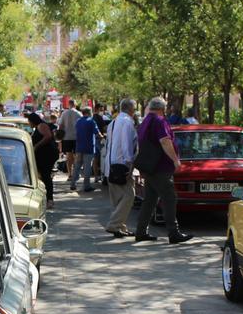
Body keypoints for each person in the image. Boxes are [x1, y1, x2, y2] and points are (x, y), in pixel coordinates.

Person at [134, 97, 193, 244]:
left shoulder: (146, 121)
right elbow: (165, 141)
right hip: (160, 167)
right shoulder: (159, 121)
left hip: (149, 167)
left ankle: (141, 231)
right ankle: (173, 233)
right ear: (163, 108)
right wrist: (175, 159)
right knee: (169, 198)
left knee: (150, 200)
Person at [104, 98, 138, 237]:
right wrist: (130, 163)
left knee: (118, 199)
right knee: (130, 195)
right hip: (121, 164)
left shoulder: (114, 121)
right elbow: (126, 144)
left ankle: (120, 227)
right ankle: (114, 225)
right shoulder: (127, 122)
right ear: (131, 109)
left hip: (110, 165)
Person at [27, 111, 59, 209]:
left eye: (29, 121)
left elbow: (48, 136)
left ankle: (50, 199)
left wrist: (37, 145)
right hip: (43, 155)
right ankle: (46, 198)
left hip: (47, 155)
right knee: (43, 176)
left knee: (46, 176)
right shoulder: (37, 127)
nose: (29, 123)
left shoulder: (41, 126)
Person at [70, 107, 98, 192]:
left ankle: (73, 184)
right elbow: (97, 132)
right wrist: (101, 136)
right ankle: (86, 186)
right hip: (88, 147)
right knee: (87, 167)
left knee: (77, 166)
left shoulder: (78, 121)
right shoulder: (91, 121)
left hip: (79, 147)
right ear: (89, 112)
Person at [58, 101, 81, 178]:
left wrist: (59, 137)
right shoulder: (79, 114)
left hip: (66, 137)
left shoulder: (64, 113)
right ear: (75, 104)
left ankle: (70, 174)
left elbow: (60, 126)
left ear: (69, 104)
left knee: (68, 156)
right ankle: (76, 173)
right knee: (76, 156)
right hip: (76, 137)